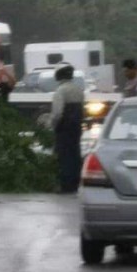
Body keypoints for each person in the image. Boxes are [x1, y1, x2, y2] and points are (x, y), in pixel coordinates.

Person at [50, 65, 85, 194]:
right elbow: (82, 109)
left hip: (64, 127)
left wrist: (53, 125)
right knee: (75, 153)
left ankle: (66, 185)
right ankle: (76, 182)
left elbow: (57, 113)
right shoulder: (78, 90)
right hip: (76, 127)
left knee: (64, 156)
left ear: (58, 76)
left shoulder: (60, 91)